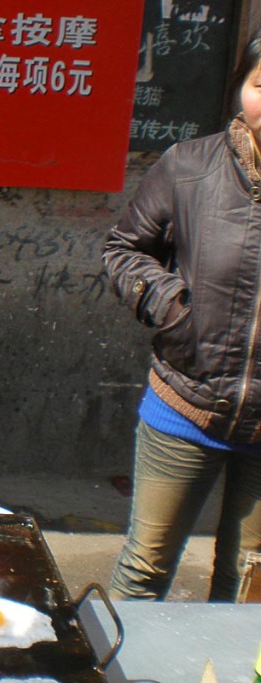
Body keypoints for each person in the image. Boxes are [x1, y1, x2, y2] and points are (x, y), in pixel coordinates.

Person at [102, 28, 261, 601]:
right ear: (240, 89)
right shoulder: (189, 167)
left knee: (249, 587)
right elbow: (125, 248)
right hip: (186, 403)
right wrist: (172, 308)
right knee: (144, 572)